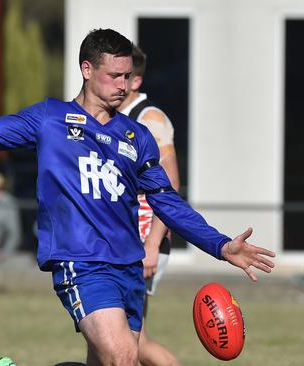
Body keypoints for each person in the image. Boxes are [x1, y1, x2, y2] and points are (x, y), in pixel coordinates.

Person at [0, 28, 275, 365]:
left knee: (111, 361)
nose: (124, 86)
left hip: (128, 266)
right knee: (122, 357)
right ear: (86, 69)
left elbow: (168, 201)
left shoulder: (137, 136)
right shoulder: (49, 120)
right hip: (81, 261)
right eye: (115, 76)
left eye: (129, 77)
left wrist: (220, 245)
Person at [118, 45, 180, 366]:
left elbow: (170, 185)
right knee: (111, 343)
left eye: (121, 76)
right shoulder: (117, 118)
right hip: (127, 241)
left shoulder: (149, 118)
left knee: (133, 343)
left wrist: (153, 242)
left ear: (136, 81)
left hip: (145, 241)